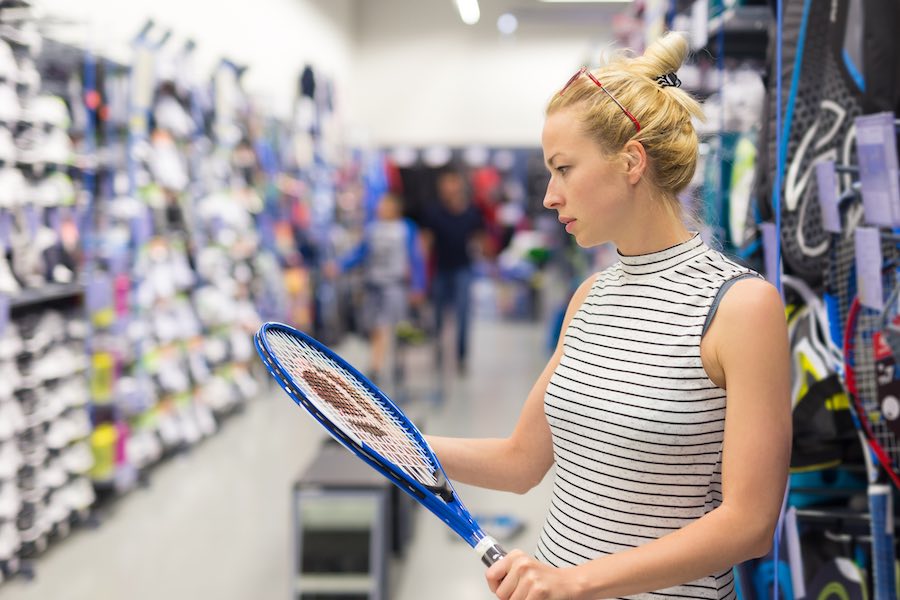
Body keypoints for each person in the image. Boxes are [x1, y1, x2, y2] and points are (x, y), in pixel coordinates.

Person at [427, 31, 791, 600]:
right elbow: (521, 461)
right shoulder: (589, 296)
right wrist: (390, 435)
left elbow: (749, 524)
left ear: (631, 162)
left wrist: (573, 582)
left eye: (563, 168)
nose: (549, 195)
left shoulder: (742, 307)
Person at [330, 193, 425, 382]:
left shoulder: (406, 229)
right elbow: (361, 252)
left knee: (387, 326)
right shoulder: (373, 229)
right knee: (374, 327)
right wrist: (340, 265)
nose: (381, 208)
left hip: (394, 286)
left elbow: (416, 259)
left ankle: (377, 366)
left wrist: (418, 286)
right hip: (373, 285)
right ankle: (382, 363)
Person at [422, 164, 485, 375]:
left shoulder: (472, 212)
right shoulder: (434, 212)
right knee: (438, 316)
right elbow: (426, 244)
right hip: (441, 270)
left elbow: (480, 239)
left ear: (459, 185)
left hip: (463, 269)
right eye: (444, 184)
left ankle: (461, 358)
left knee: (463, 315)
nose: (448, 188)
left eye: (452, 183)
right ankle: (438, 352)